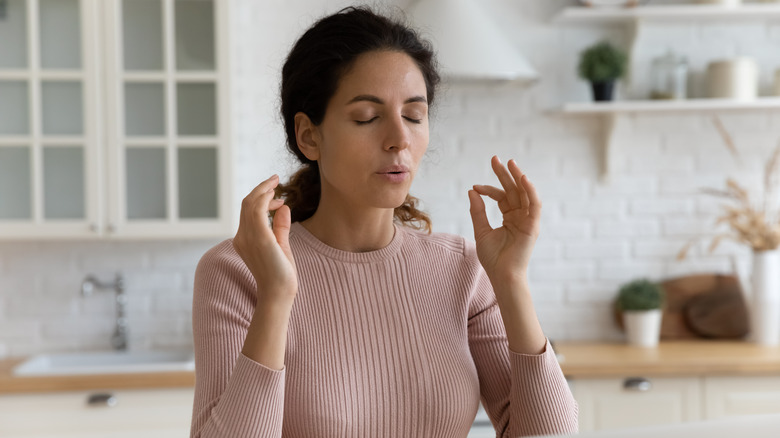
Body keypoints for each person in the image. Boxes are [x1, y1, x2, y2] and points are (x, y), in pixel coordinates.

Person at [189, 6, 578, 438]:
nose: (400, 139)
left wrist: (511, 281)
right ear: (308, 136)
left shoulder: (462, 270)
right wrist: (277, 296)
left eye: (414, 115)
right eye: (367, 118)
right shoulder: (239, 270)